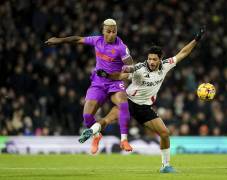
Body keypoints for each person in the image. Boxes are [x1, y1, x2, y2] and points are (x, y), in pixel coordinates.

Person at [91, 27, 206, 173]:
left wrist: (196, 40)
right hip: (129, 102)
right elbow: (121, 75)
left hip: (144, 108)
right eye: (149, 58)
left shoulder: (165, 66)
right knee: (108, 119)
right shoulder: (139, 68)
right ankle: (92, 131)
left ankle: (165, 166)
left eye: (154, 59)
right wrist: (107, 75)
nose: (151, 61)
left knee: (164, 133)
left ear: (160, 59)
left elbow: (182, 53)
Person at [45, 19, 133, 151]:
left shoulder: (121, 48)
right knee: (87, 116)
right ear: (103, 31)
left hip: (115, 83)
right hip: (98, 83)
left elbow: (131, 68)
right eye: (108, 31)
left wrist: (118, 76)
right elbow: (77, 40)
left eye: (114, 31)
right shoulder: (96, 40)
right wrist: (59, 40)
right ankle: (96, 135)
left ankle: (124, 140)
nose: (111, 34)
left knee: (124, 104)